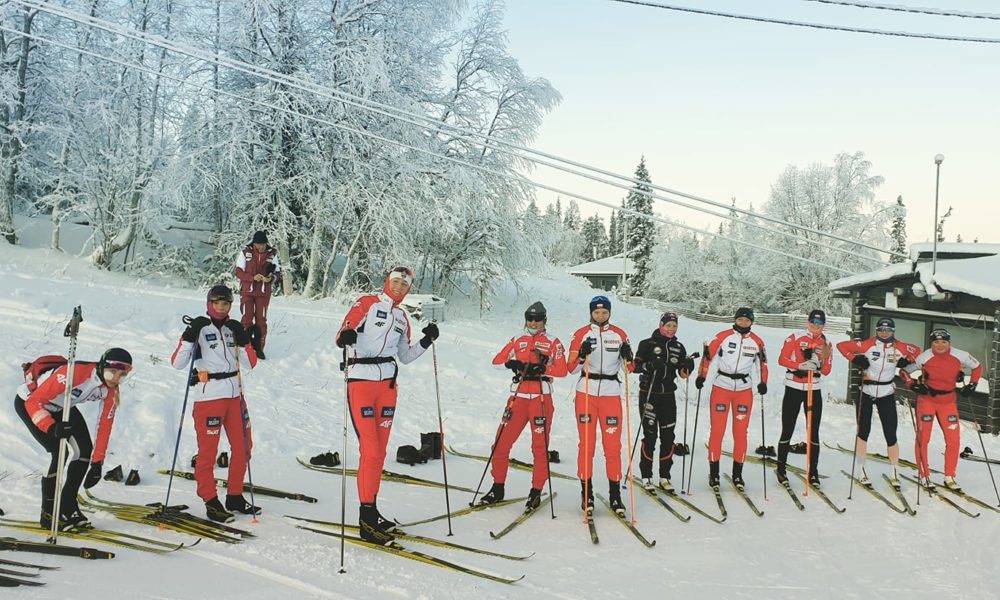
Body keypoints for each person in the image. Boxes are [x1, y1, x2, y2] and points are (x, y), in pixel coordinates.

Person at [335, 266, 439, 544]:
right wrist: (346, 336)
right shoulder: (367, 303)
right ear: (387, 282)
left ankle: (372, 510)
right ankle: (365, 518)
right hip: (361, 382)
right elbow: (342, 332)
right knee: (369, 449)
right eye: (395, 282)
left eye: (403, 285)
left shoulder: (403, 317)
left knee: (379, 452)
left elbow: (405, 356)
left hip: (388, 387)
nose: (398, 287)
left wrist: (427, 341)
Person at [15, 348, 133, 529]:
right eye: (112, 372)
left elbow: (104, 426)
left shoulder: (110, 391)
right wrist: (51, 427)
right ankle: (48, 512)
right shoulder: (74, 374)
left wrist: (97, 463)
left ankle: (68, 506)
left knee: (84, 451)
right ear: (102, 366)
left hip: (63, 406)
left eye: (122, 375)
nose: (116, 379)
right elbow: (34, 401)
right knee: (58, 452)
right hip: (32, 404)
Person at [171, 284, 258, 523]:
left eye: (226, 303)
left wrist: (245, 339)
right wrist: (189, 336)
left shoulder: (232, 328)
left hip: (235, 396)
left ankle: (235, 495)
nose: (221, 307)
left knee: (243, 448)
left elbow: (251, 364)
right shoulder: (200, 327)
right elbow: (177, 363)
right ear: (209, 304)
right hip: (209, 397)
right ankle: (210, 500)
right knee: (208, 453)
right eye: (217, 302)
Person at [479, 302, 568, 512]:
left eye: (538, 319)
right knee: (500, 444)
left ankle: (536, 491)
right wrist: (513, 364)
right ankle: (497, 487)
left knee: (539, 448)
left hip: (541, 399)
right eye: (530, 319)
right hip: (518, 397)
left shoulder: (553, 342)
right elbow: (496, 362)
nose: (533, 323)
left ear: (545, 320)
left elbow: (563, 370)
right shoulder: (517, 339)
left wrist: (544, 367)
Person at [835, 317, 921, 486]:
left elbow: (917, 351)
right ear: (876, 330)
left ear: (893, 331)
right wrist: (855, 359)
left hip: (886, 392)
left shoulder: (900, 347)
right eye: (881, 329)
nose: (884, 332)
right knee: (863, 431)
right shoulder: (867, 344)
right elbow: (842, 346)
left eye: (887, 330)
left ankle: (895, 472)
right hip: (866, 391)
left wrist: (907, 361)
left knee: (890, 432)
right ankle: (861, 470)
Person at [566, 296, 632, 516]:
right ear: (591, 313)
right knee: (587, 444)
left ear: (609, 313)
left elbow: (630, 369)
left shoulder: (620, 334)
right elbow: (571, 369)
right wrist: (582, 355)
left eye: (604, 313)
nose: (601, 316)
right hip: (586, 392)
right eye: (597, 313)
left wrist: (627, 357)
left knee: (613, 446)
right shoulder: (580, 334)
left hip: (611, 395)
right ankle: (587, 494)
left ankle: (615, 496)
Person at [696, 307, 768, 490]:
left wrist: (763, 382)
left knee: (740, 433)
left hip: (743, 390)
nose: (743, 323)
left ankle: (738, 475)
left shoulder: (757, 342)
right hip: (722, 387)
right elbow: (707, 357)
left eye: (747, 320)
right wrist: (702, 376)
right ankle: (714, 475)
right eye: (740, 319)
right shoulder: (722, 336)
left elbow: (763, 365)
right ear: (735, 320)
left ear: (751, 322)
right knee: (717, 431)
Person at [903, 328, 982, 491]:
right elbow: (904, 372)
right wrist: (913, 385)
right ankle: (924, 475)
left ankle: (949, 476)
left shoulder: (960, 355)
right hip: (927, 401)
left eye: (944, 342)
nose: (940, 345)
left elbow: (978, 366)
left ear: (949, 343)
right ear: (931, 343)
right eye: (936, 342)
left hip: (948, 402)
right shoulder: (924, 357)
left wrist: (973, 384)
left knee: (953, 440)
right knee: (923, 438)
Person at [631, 312, 694, 493]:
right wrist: (650, 366)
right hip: (649, 393)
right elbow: (634, 367)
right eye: (668, 325)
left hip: (668, 395)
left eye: (674, 326)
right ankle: (646, 475)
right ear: (661, 325)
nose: (671, 329)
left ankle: (665, 477)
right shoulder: (647, 344)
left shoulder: (678, 347)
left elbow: (683, 374)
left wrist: (688, 366)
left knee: (668, 437)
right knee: (650, 436)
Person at [775, 309, 833, 487]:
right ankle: (781, 469)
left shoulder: (826, 343)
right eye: (813, 322)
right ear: (808, 322)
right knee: (788, 428)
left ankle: (813, 472)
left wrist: (818, 362)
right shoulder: (795, 337)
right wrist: (799, 365)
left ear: (824, 325)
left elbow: (827, 370)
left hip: (813, 388)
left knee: (813, 431)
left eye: (819, 323)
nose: (816, 326)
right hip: (793, 387)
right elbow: (782, 359)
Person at [235, 230, 281, 359]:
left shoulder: (272, 254)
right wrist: (252, 277)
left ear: (266, 243)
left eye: (262, 244)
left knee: (261, 320)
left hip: (263, 293)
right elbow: (238, 272)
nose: (260, 247)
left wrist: (270, 279)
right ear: (253, 243)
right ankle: (246, 347)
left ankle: (259, 348)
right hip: (247, 291)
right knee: (247, 318)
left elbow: (278, 274)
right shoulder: (245, 253)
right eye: (257, 244)